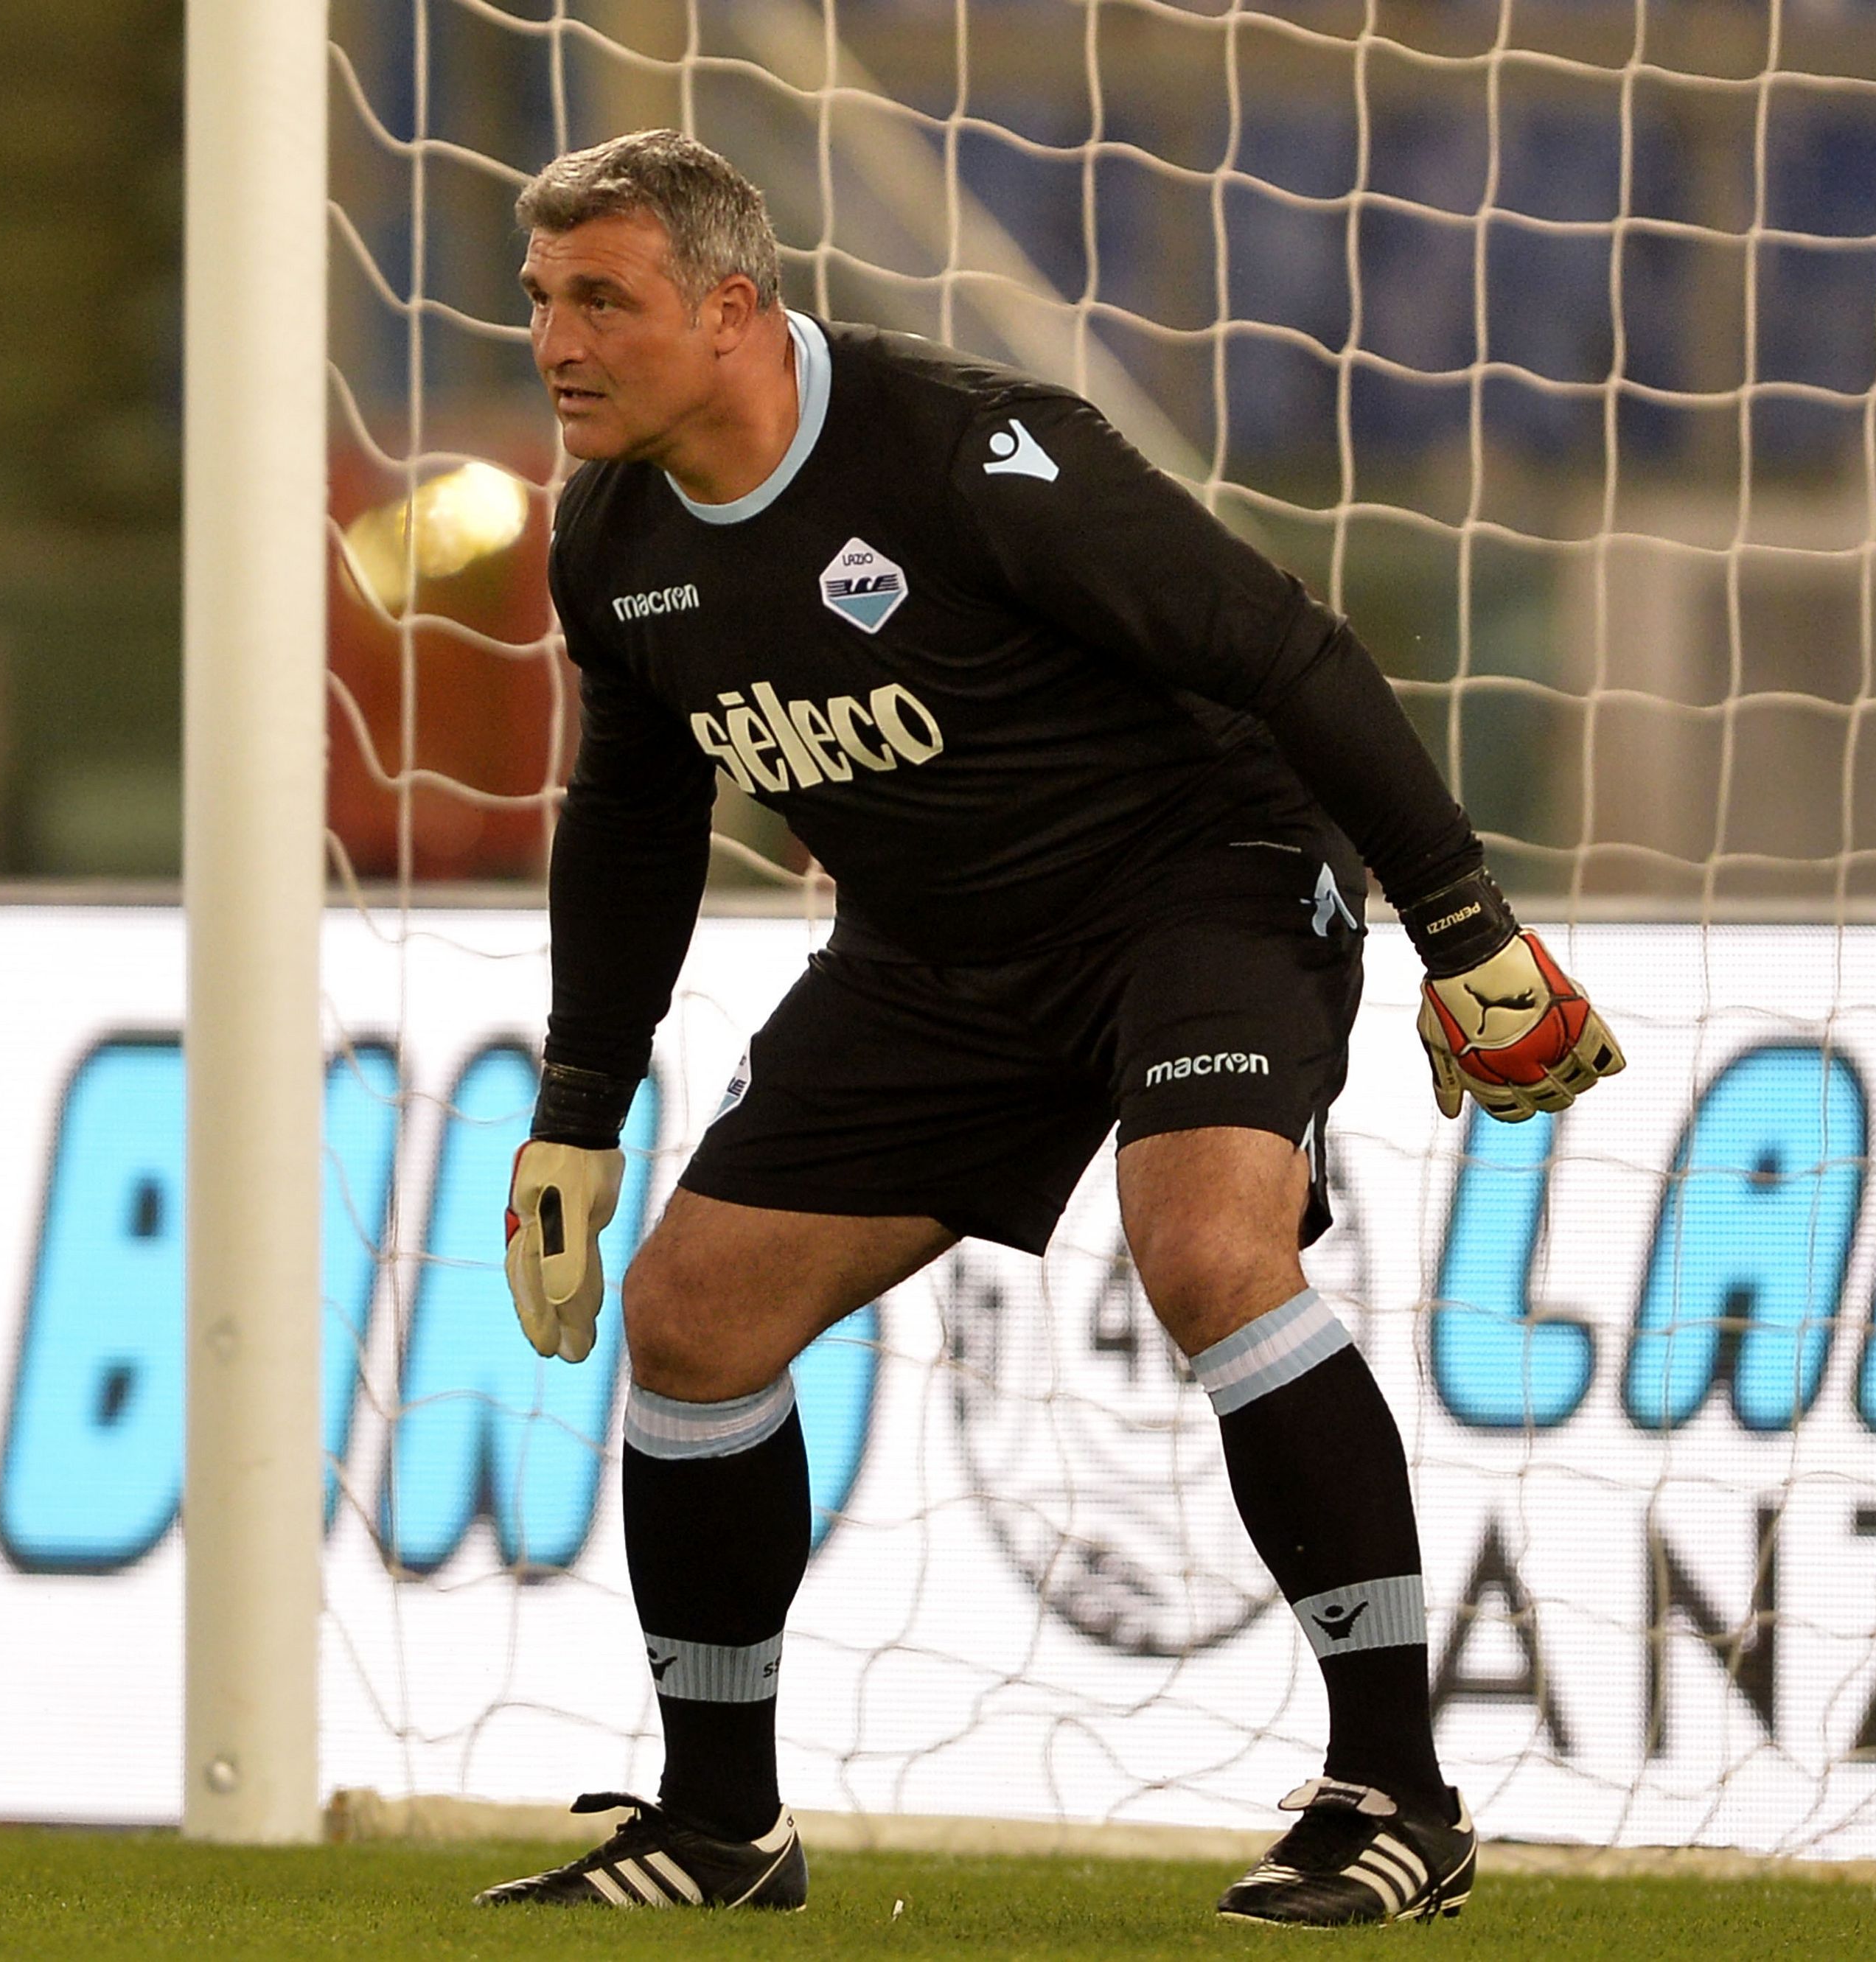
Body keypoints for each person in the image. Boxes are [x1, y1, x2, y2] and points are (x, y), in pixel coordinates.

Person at [474, 128, 1620, 1927]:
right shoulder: (610, 544)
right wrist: (577, 1107)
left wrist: (1459, 924)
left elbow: (1282, 646)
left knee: (1204, 1245)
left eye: (598, 299)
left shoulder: (969, 454)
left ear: (730, 307)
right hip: (935, 956)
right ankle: (719, 1826)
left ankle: (1394, 1793)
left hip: (1196, 887)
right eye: (540, 298)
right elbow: (630, 817)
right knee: (690, 1316)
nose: (554, 338)